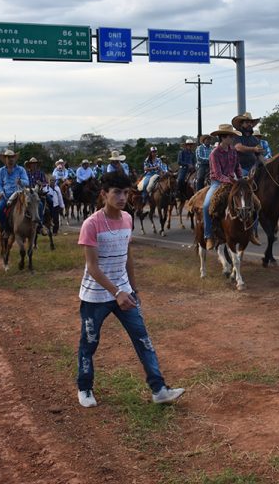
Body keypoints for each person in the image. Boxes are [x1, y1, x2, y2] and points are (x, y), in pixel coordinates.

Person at [76, 171, 185, 408]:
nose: (122, 197)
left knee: (143, 339)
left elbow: (127, 257)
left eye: (126, 192)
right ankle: (84, 387)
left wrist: (133, 289)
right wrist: (117, 293)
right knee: (89, 342)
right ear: (104, 194)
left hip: (125, 293)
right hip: (96, 296)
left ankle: (159, 389)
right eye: (117, 192)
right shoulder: (91, 224)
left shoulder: (127, 218)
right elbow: (92, 267)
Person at [202, 124, 260, 248]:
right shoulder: (214, 153)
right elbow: (217, 174)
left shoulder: (233, 151)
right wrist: (232, 181)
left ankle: (251, 232)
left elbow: (237, 167)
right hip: (218, 183)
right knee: (206, 206)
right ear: (223, 137)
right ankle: (209, 236)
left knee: (256, 203)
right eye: (230, 136)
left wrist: (241, 179)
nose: (233, 139)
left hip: (234, 181)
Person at [0, 149, 29, 237]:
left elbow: (27, 182)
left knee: (35, 204)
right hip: (6, 195)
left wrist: (21, 181)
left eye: (12, 157)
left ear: (15, 159)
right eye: (8, 157)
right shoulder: (1, 171)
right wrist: (1, 192)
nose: (11, 159)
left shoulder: (21, 170)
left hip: (19, 194)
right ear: (5, 159)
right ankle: (6, 229)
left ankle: (38, 225)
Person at [232, 112, 265, 177]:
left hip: (253, 168)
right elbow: (238, 147)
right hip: (239, 168)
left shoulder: (254, 139)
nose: (249, 124)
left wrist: (266, 164)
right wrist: (254, 149)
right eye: (247, 122)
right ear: (241, 124)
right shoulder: (236, 136)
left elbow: (259, 155)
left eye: (251, 122)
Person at [26, 157, 49, 234]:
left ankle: (41, 224)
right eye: (32, 164)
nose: (34, 165)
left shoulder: (40, 173)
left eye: (35, 164)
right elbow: (24, 182)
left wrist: (41, 183)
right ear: (30, 165)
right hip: (28, 192)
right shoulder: (26, 173)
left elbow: (45, 183)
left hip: (38, 192)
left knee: (41, 205)